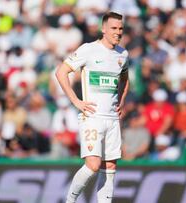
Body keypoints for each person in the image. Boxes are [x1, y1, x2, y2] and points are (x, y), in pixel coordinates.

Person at [56, 12, 129, 203]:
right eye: (114, 28)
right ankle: (70, 200)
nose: (118, 32)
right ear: (103, 29)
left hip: (112, 119)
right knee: (93, 164)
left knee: (110, 168)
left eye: (120, 28)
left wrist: (121, 101)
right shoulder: (89, 50)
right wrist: (76, 101)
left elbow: (125, 79)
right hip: (93, 117)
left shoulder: (122, 54)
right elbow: (61, 72)